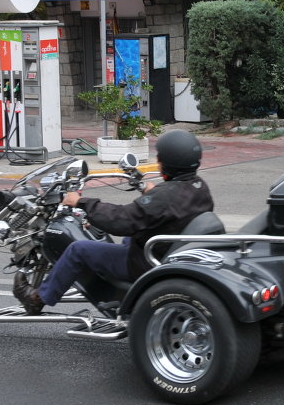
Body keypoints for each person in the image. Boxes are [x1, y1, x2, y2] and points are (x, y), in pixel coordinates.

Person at [12, 129, 213, 315]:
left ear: (166, 161)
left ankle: (37, 299)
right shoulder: (198, 186)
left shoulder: (164, 197)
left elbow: (121, 220)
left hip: (145, 263)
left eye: (159, 157)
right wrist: (151, 192)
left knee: (78, 249)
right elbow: (170, 207)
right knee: (126, 237)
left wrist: (81, 202)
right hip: (167, 249)